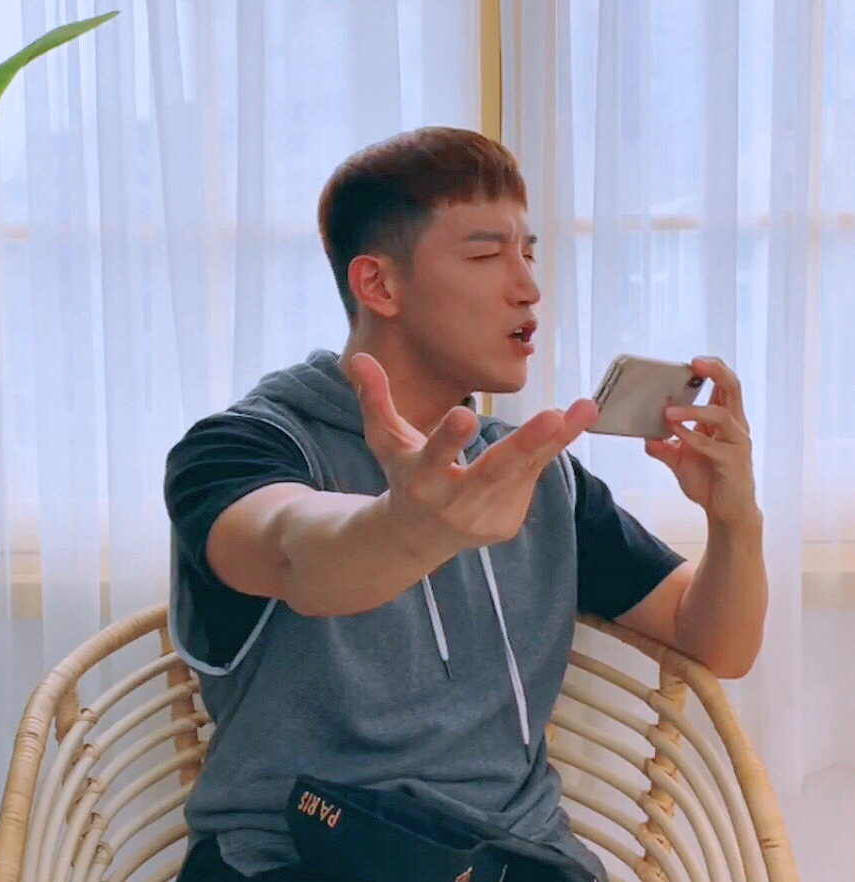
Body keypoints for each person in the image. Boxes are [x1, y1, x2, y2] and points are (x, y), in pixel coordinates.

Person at [164, 127, 768, 881]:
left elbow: (716, 643)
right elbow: (295, 553)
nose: (528, 288)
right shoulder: (240, 449)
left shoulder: (532, 474)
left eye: (529, 254)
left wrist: (736, 518)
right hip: (293, 857)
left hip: (513, 858)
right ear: (379, 285)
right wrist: (409, 528)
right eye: (487, 256)